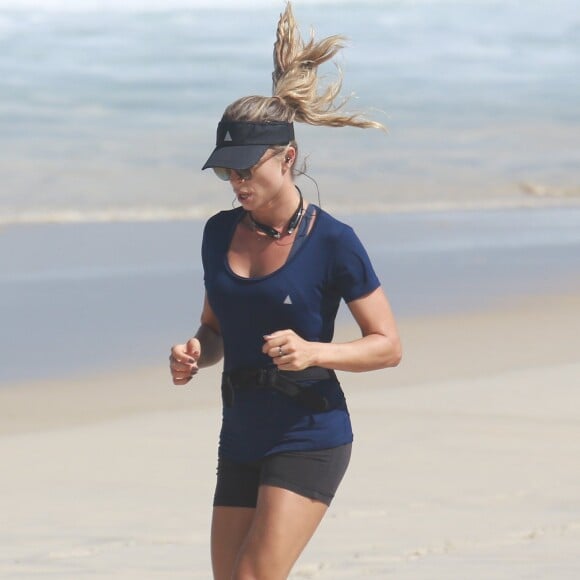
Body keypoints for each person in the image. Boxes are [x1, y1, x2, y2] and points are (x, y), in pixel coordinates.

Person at [169, 3, 401, 579]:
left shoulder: (333, 242)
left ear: (287, 157)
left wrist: (315, 351)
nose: (237, 182)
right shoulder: (217, 233)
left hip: (310, 431)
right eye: (227, 172)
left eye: (247, 168)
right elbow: (217, 327)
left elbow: (388, 345)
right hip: (242, 429)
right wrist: (196, 352)